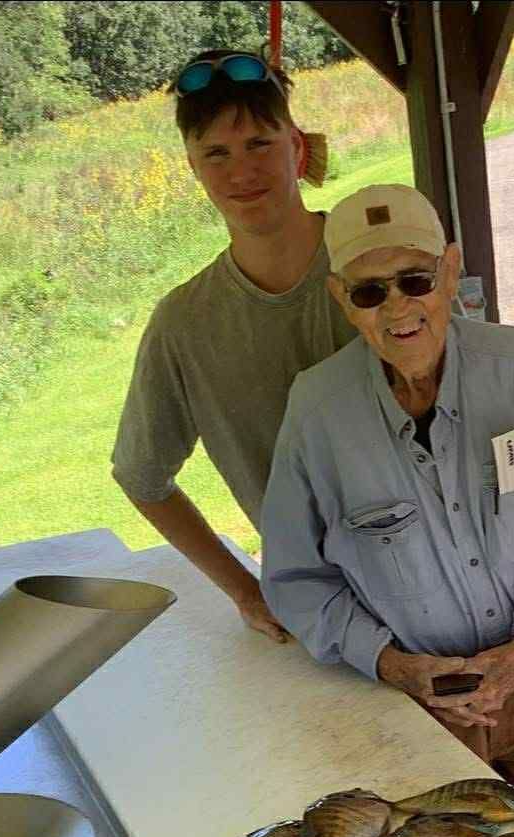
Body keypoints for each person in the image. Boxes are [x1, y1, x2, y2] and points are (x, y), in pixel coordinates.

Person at [260, 184, 514, 837]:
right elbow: (296, 580)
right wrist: (390, 664)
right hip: (415, 709)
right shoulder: (316, 412)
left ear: (450, 273)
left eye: (414, 280)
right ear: (342, 300)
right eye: (369, 292)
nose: (397, 309)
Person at [112, 49, 353, 642]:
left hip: (468, 598)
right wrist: (244, 589)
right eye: (215, 153)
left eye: (259, 145)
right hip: (326, 623)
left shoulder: (385, 264)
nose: (240, 172)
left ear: (298, 148)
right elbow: (142, 476)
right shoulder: (183, 324)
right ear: (193, 169)